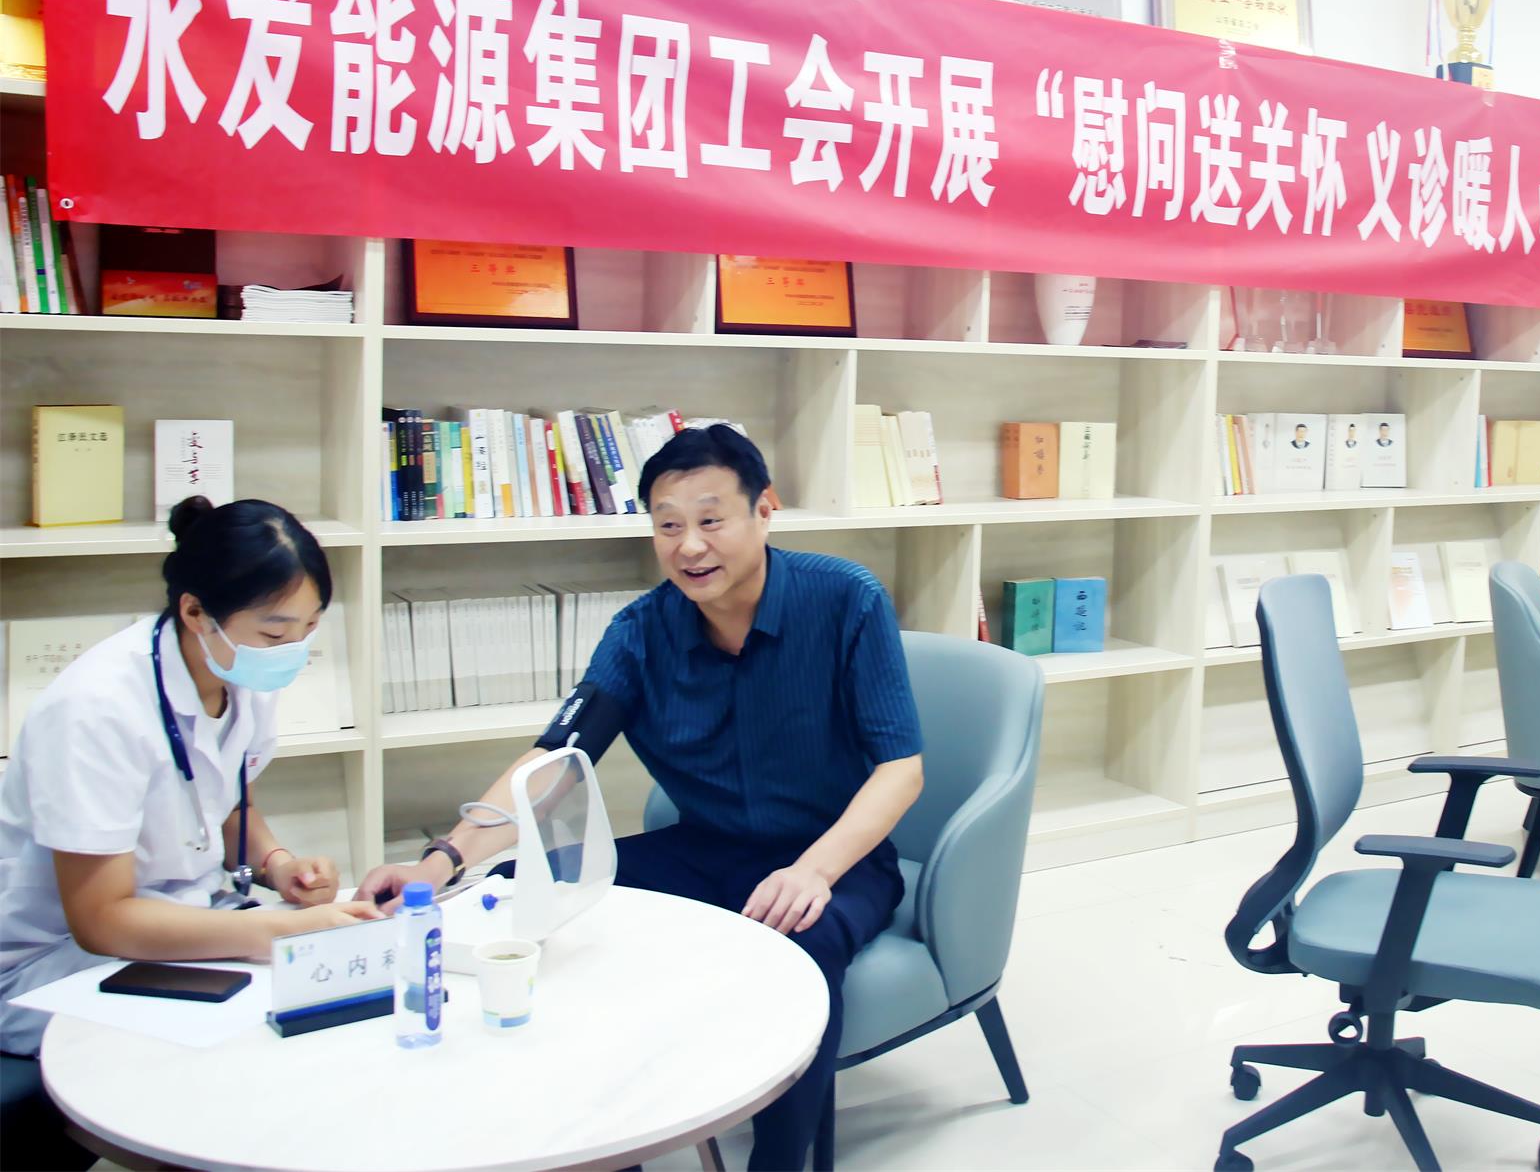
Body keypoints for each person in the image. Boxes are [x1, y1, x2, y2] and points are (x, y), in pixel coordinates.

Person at [356, 425, 923, 1172]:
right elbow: (551, 764)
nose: (691, 546)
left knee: (805, 941)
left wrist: (813, 871)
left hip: (833, 856)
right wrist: (440, 863)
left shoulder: (845, 599)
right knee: (520, 892)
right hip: (705, 848)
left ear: (765, 510)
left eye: (711, 520)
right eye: (668, 526)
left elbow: (901, 770)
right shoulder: (639, 632)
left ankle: (779, 1162)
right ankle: (598, 1140)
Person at [0, 498, 381, 1058]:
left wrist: (279, 865)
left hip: (194, 923)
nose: (294, 652)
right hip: (64, 962)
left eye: (310, 628)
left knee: (340, 1001)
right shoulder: (95, 710)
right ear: (196, 612)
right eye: (275, 635)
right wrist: (279, 934)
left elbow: (227, 804)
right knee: (252, 1041)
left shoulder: (238, 671)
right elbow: (101, 921)